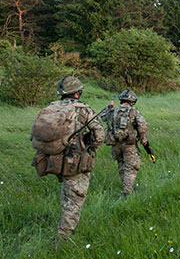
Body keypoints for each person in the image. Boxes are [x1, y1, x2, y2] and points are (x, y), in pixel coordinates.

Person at [31, 76, 105, 248]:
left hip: (53, 159)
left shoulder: (50, 108)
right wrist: (91, 148)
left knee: (67, 193)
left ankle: (65, 221)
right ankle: (63, 241)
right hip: (74, 162)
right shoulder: (83, 110)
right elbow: (99, 135)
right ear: (78, 93)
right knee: (75, 199)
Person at [104, 90, 148, 200]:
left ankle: (130, 187)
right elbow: (142, 125)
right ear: (133, 101)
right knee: (131, 168)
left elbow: (101, 118)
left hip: (115, 144)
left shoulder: (113, 111)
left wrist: (109, 107)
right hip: (129, 144)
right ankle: (127, 193)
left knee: (121, 165)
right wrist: (143, 138)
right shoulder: (134, 111)